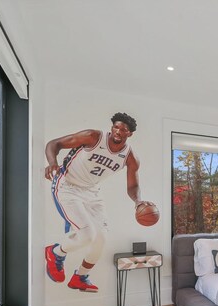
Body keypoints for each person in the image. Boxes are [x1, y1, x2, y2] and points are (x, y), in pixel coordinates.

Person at [44, 112, 154, 292]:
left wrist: (138, 201)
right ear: (112, 127)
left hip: (92, 192)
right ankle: (55, 253)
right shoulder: (93, 137)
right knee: (87, 235)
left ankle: (80, 276)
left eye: (123, 130)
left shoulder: (130, 157)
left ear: (129, 134)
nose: (118, 131)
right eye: (116, 127)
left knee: (101, 239)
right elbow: (54, 144)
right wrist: (51, 162)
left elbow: (133, 186)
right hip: (67, 185)